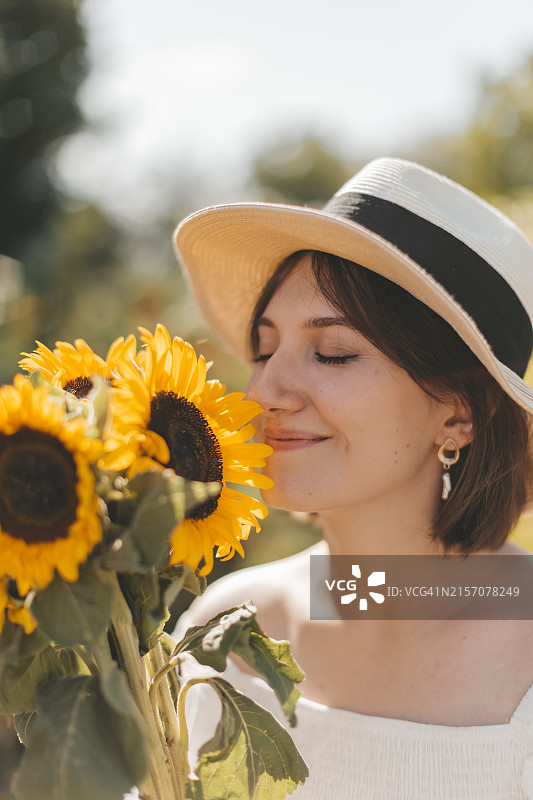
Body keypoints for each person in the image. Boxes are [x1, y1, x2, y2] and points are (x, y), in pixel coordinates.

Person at [172, 157, 533, 799]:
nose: (265, 390)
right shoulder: (228, 631)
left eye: (333, 352)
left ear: (459, 412)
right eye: (264, 348)